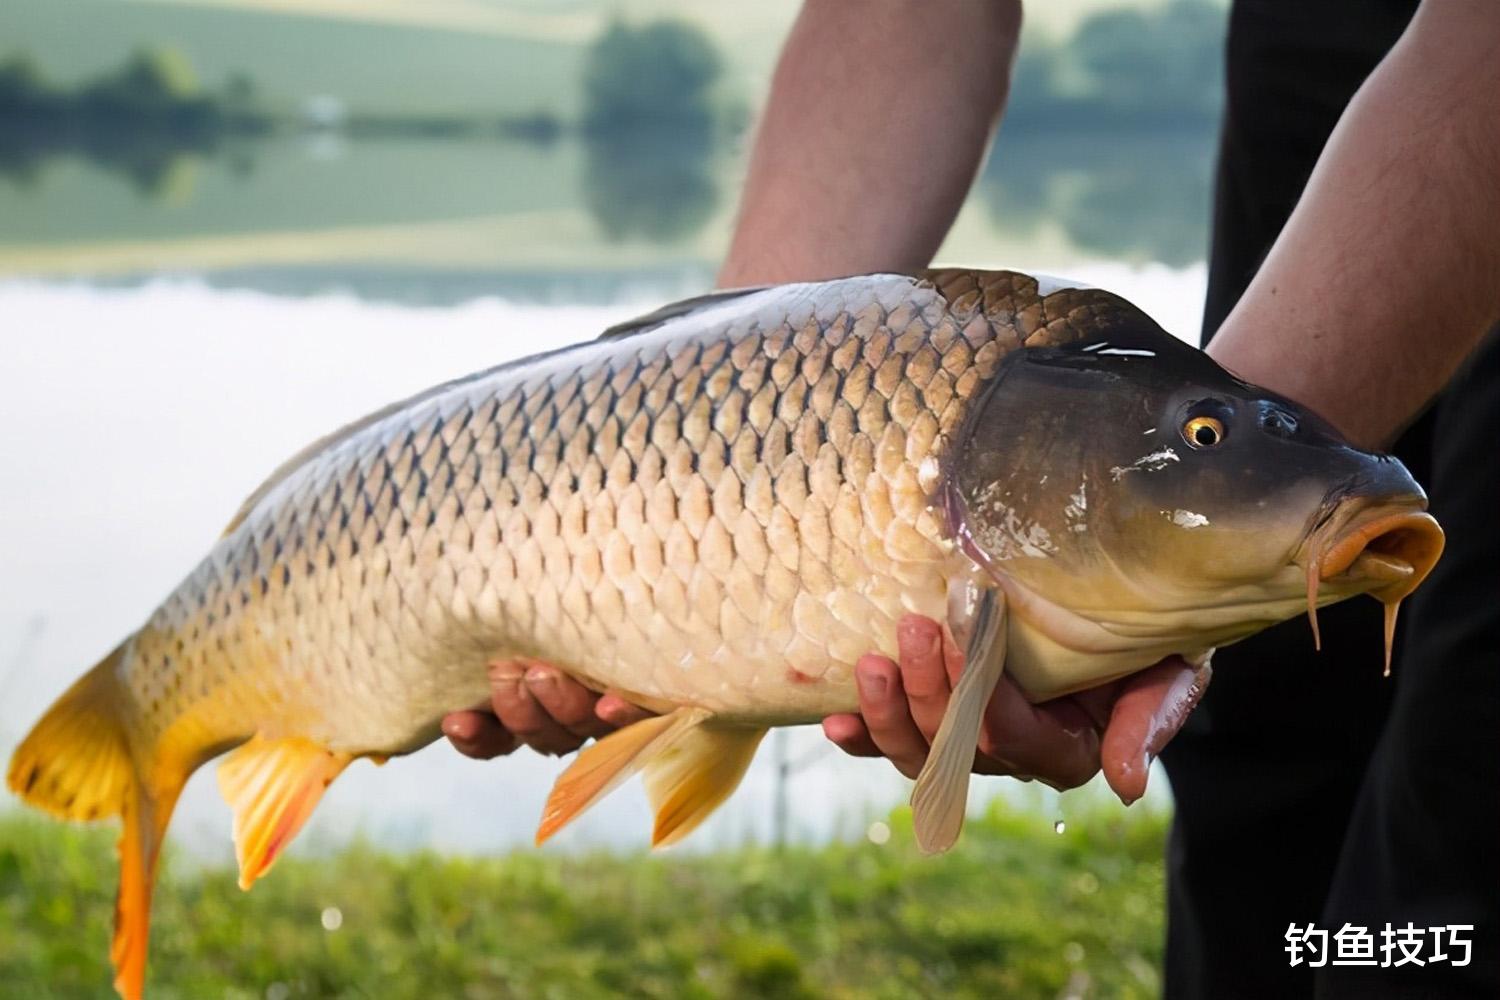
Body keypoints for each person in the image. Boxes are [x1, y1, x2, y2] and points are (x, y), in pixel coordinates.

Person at [445, 2, 1499, 996]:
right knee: (1259, 755)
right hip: (1311, 43)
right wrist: (725, 463)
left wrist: (1256, 478)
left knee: (1464, 789)